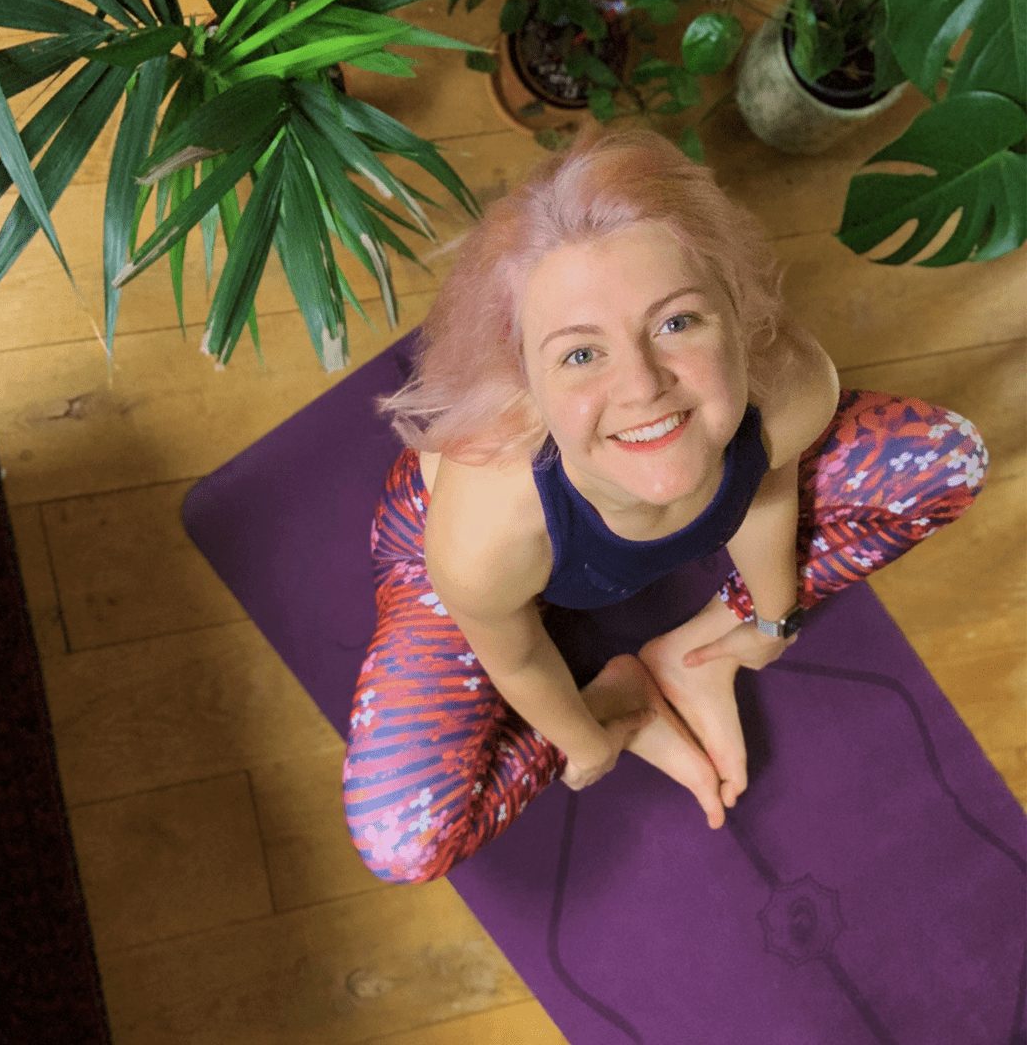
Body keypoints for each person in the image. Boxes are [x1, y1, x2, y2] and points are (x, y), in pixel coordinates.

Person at [341, 123, 989, 885]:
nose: (642, 387)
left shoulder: (787, 390)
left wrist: (767, 618)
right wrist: (589, 740)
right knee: (402, 841)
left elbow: (763, 484)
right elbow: (514, 653)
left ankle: (686, 656)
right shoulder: (483, 535)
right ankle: (626, 690)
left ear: (737, 317)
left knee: (954, 459)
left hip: (627, 559)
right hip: (456, 576)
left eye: (676, 322)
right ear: (526, 382)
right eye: (581, 354)